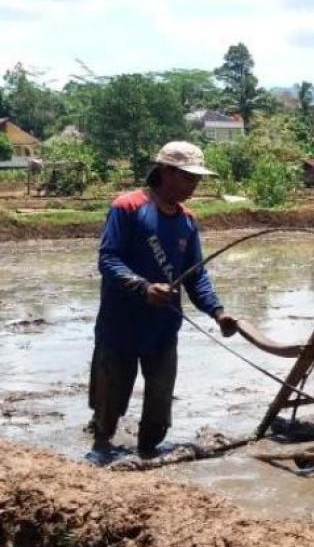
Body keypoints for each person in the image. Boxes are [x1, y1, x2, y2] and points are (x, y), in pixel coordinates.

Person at [90, 141, 237, 457]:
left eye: (197, 179)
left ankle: (146, 454)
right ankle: (100, 454)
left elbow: (195, 275)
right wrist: (144, 287)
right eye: (188, 177)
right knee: (108, 408)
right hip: (121, 326)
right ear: (166, 171)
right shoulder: (128, 208)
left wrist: (218, 312)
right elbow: (108, 259)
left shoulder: (187, 220)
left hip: (162, 330)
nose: (194, 185)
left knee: (158, 416)